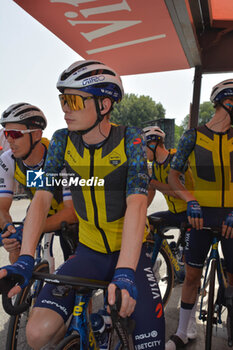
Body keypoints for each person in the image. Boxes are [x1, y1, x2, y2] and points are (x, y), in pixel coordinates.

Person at [0, 60, 165, 349]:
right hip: (88, 252)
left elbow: (138, 203)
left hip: (130, 255)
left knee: (150, 343)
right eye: (62, 100)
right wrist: (26, 257)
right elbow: (41, 198)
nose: (65, 108)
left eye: (74, 100)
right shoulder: (62, 141)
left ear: (104, 104)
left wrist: (125, 270)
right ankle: (95, 326)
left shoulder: (131, 139)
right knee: (37, 334)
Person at [166, 79, 233, 349]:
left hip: (230, 217)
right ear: (227, 102)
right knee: (192, 276)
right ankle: (184, 331)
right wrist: (189, 199)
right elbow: (173, 176)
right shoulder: (192, 136)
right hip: (199, 216)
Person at [0, 103, 78, 263]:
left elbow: (72, 212)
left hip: (69, 214)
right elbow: (2, 207)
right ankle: (18, 285)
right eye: (6, 133)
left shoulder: (60, 155)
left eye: (15, 134)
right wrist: (8, 228)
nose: (9, 140)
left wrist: (30, 227)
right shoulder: (7, 160)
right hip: (40, 209)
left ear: (36, 134)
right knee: (16, 245)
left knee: (73, 256)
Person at [143, 125, 194, 226]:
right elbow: (151, 190)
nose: (142, 151)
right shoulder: (155, 165)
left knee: (187, 241)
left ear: (153, 144)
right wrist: (141, 210)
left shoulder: (176, 159)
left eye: (143, 146)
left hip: (190, 213)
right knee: (148, 224)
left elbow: (177, 192)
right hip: (173, 213)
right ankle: (161, 242)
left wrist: (151, 181)